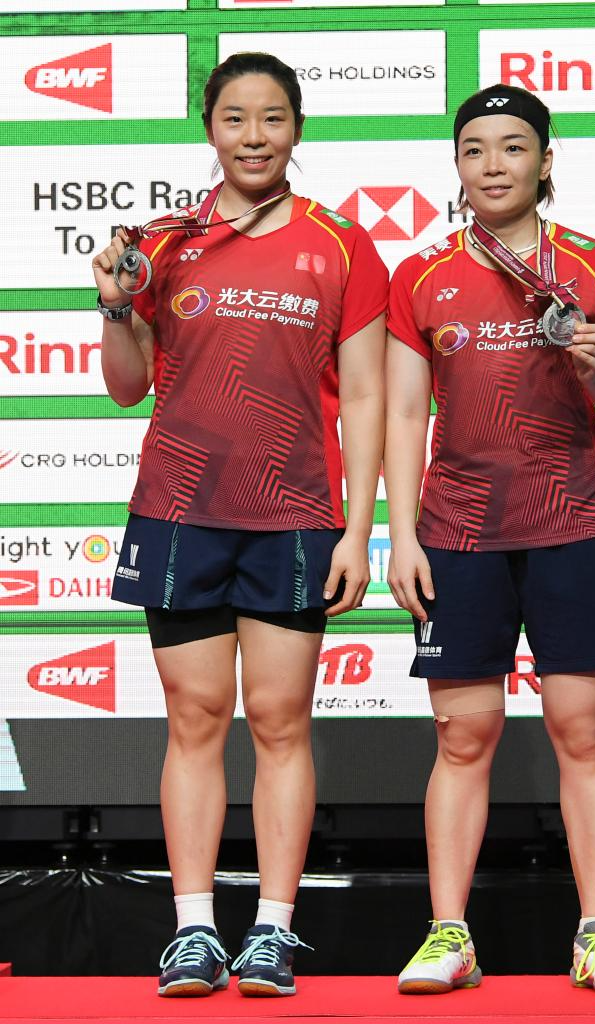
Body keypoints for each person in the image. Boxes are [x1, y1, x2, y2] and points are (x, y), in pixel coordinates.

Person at [92, 52, 387, 998]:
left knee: (279, 720)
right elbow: (126, 385)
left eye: (272, 118)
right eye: (234, 118)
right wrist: (115, 305)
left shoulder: (344, 245)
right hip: (179, 510)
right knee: (194, 718)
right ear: (209, 128)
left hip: (294, 514)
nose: (254, 137)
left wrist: (360, 530)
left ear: (297, 128)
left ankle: (271, 930)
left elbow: (368, 398)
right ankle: (191, 930)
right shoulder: (162, 244)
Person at [385, 83, 595, 996]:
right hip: (458, 534)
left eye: (511, 147)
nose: (492, 165)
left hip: (573, 525)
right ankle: (449, 935)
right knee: (463, 738)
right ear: (456, 167)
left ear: (544, 161)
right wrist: (400, 536)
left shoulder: (594, 264)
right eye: (474, 150)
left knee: (583, 730)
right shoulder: (421, 274)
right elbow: (404, 413)